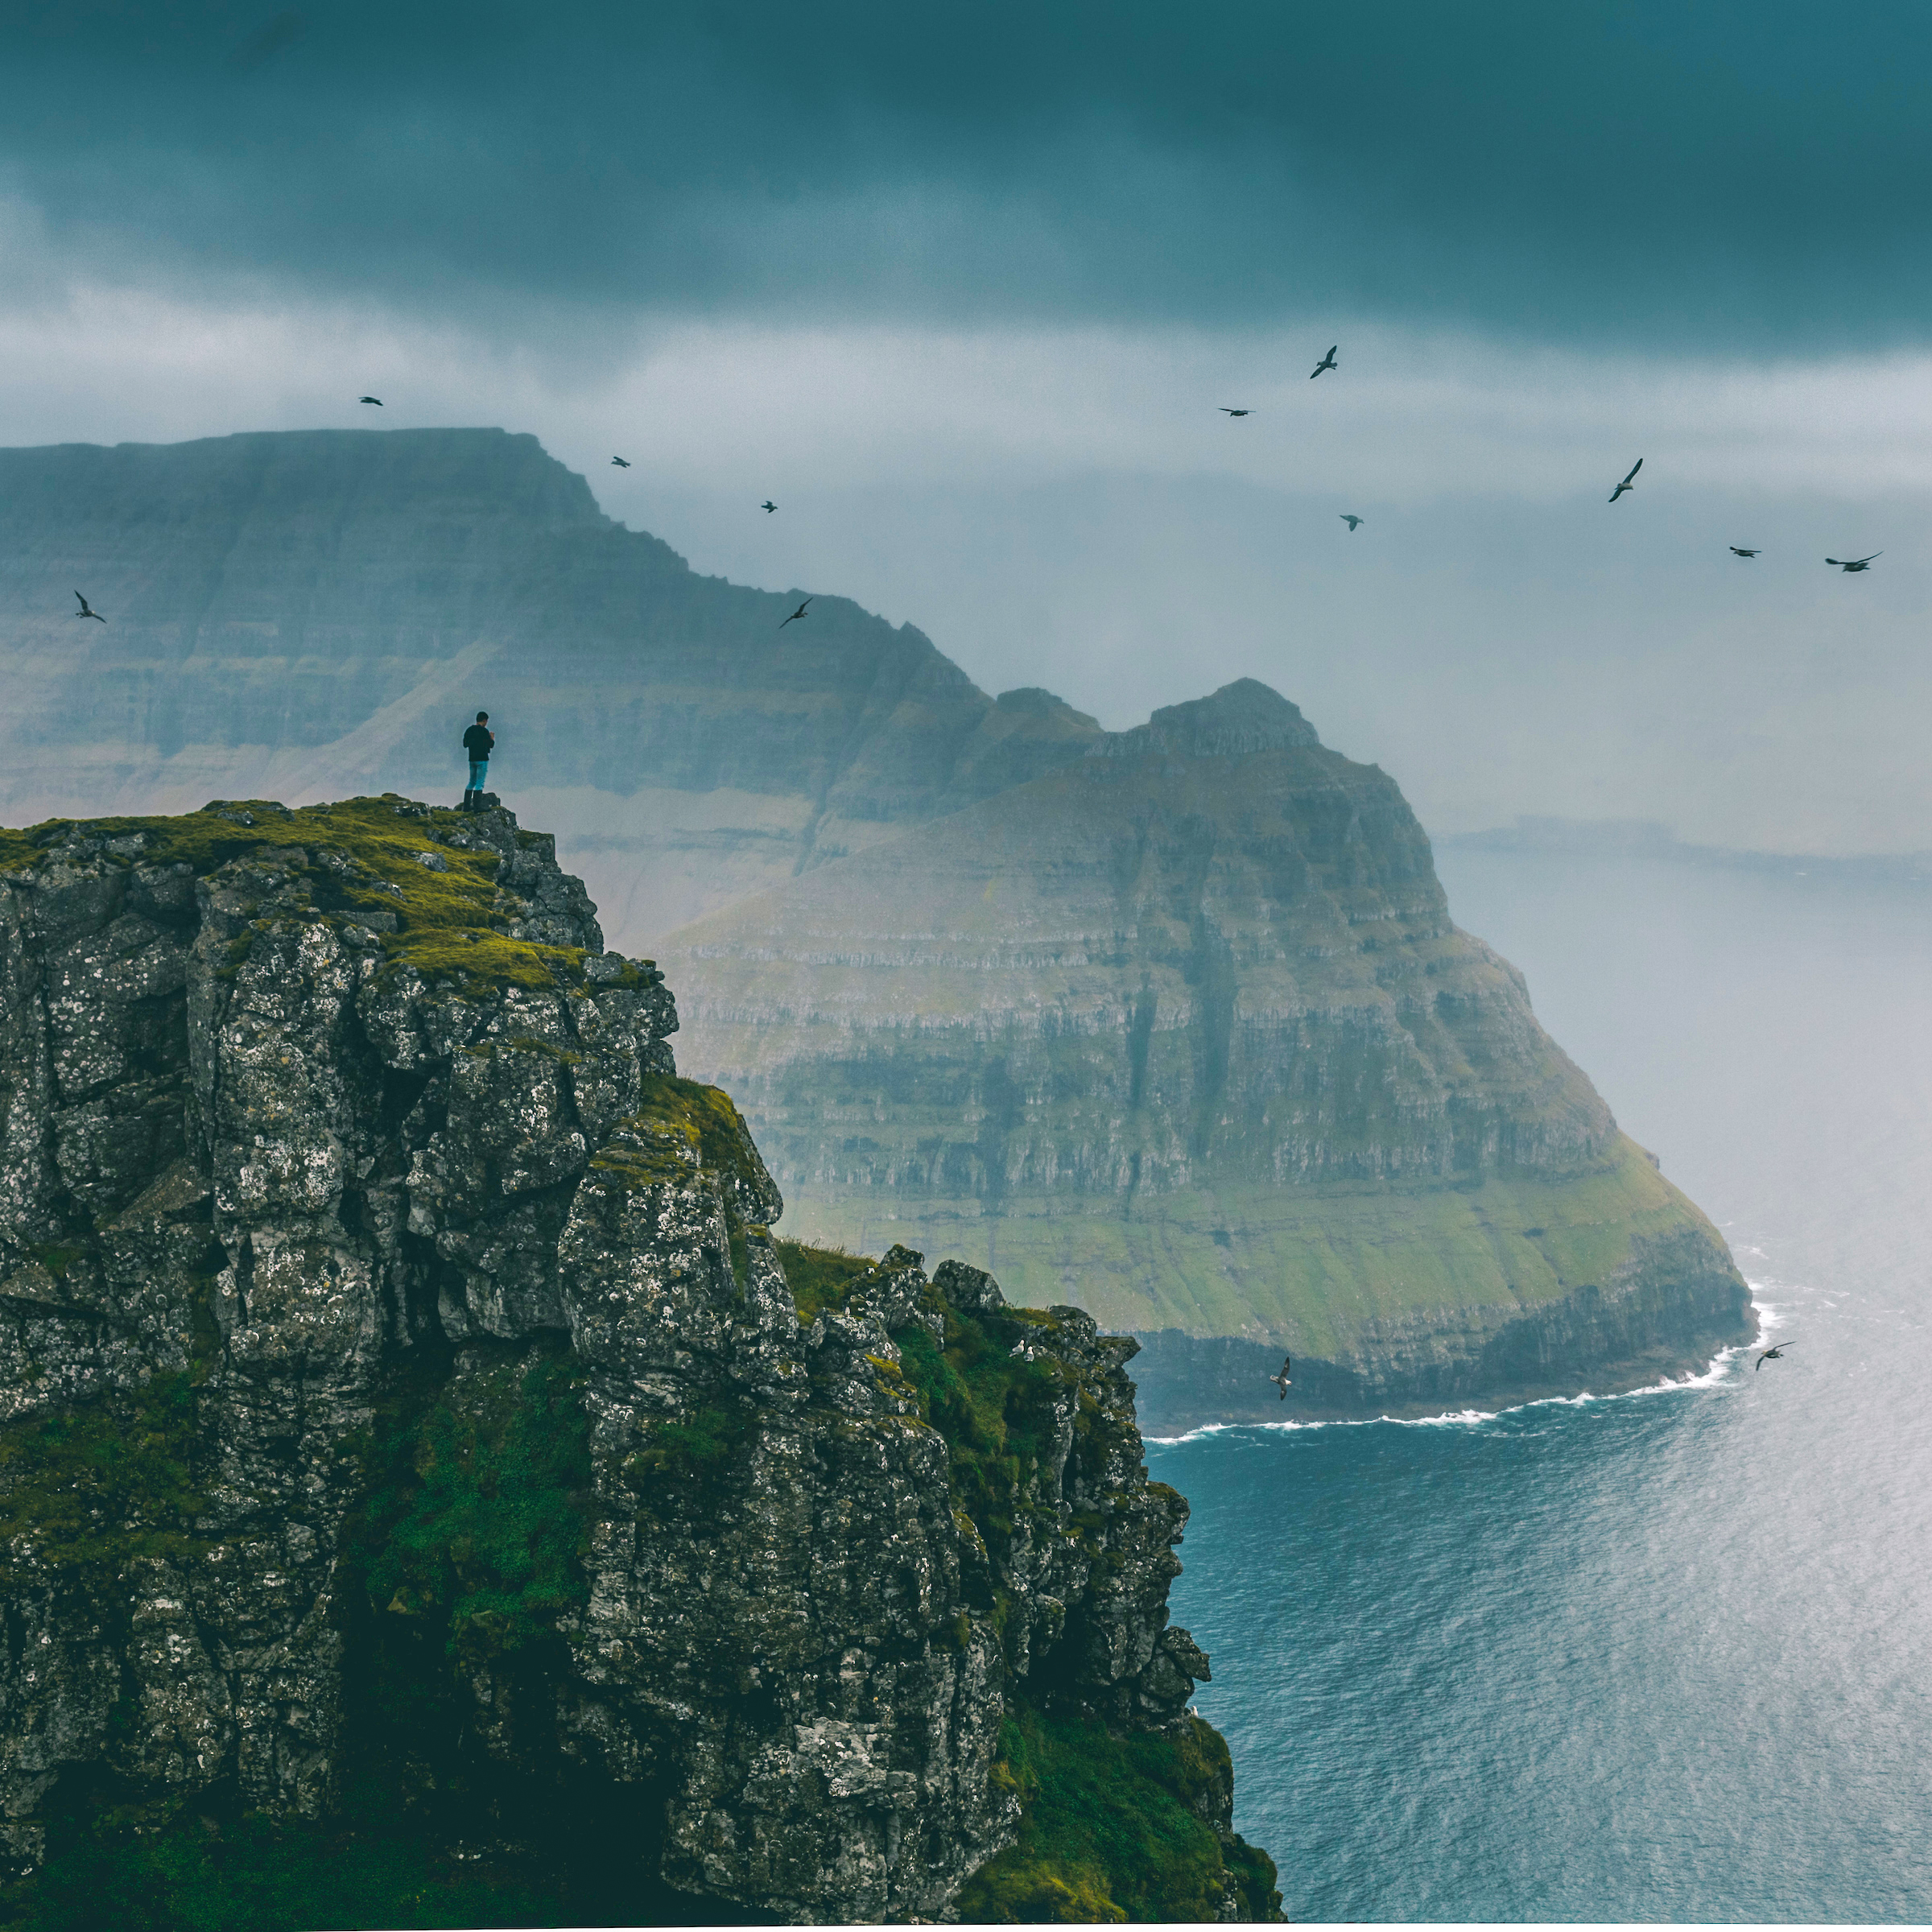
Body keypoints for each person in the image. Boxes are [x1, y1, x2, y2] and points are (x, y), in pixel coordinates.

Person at [461, 711, 495, 811]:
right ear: (484, 720)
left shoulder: (469, 730)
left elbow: (465, 744)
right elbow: (491, 745)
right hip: (482, 759)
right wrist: (492, 738)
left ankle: (466, 806)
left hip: (472, 759)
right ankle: (477, 806)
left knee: (471, 782)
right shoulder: (484, 731)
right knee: (480, 782)